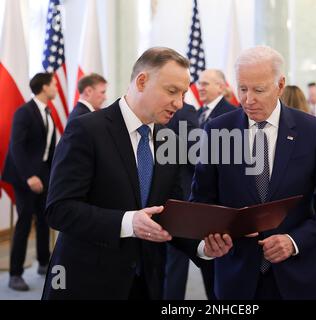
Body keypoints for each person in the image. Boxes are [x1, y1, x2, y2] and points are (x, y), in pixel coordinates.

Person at [41, 47, 223, 300]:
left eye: (183, 94)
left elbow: (169, 213)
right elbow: (59, 210)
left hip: (146, 283)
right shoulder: (86, 130)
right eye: (172, 91)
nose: (179, 103)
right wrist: (128, 222)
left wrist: (203, 247)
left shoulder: (169, 140)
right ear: (142, 81)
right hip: (87, 282)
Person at [190, 46, 316, 300]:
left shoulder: (314, 131)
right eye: (242, 88)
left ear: (280, 84)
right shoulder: (216, 130)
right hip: (236, 278)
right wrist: (214, 234)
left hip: (298, 279)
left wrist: (294, 241)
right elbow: (200, 201)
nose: (248, 99)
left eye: (259, 90)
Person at [3, 73, 57, 291]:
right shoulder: (24, 112)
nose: (55, 87)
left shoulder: (48, 112)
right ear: (44, 87)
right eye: (53, 84)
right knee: (25, 222)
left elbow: (48, 149)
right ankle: (15, 274)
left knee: (45, 219)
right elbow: (16, 147)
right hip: (23, 176)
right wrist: (29, 177)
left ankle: (44, 263)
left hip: (43, 175)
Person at [196, 68, 236, 299]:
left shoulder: (231, 115)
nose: (200, 87)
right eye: (199, 83)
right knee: (207, 265)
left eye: (206, 84)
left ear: (221, 87)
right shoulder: (200, 114)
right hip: (202, 198)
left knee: (220, 278)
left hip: (221, 204)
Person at [164, 102, 199, 300]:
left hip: (178, 196)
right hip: (154, 197)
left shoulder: (186, 111)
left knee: (175, 260)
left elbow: (194, 153)